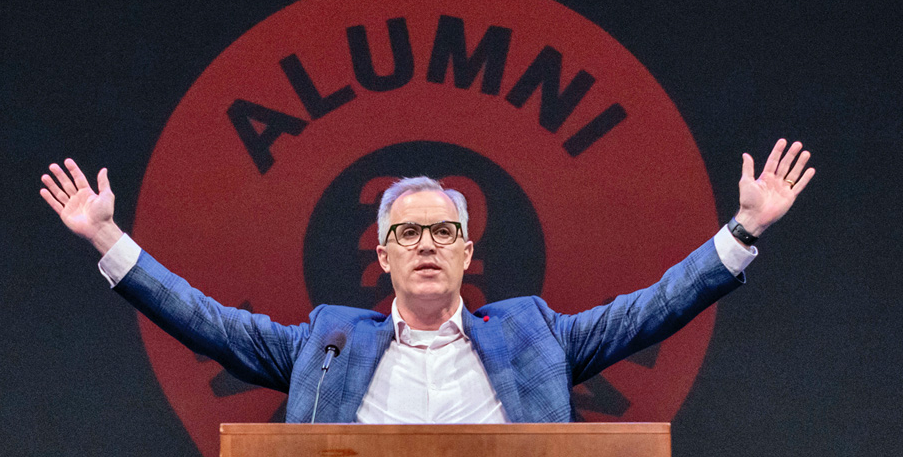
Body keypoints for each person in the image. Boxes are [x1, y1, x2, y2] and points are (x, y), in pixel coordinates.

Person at [40, 139, 814, 423]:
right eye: (406, 233)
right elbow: (205, 322)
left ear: (468, 251)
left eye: (444, 231)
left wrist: (742, 230)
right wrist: (108, 236)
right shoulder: (328, 342)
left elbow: (654, 309)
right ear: (382, 256)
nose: (426, 245)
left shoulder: (534, 333)